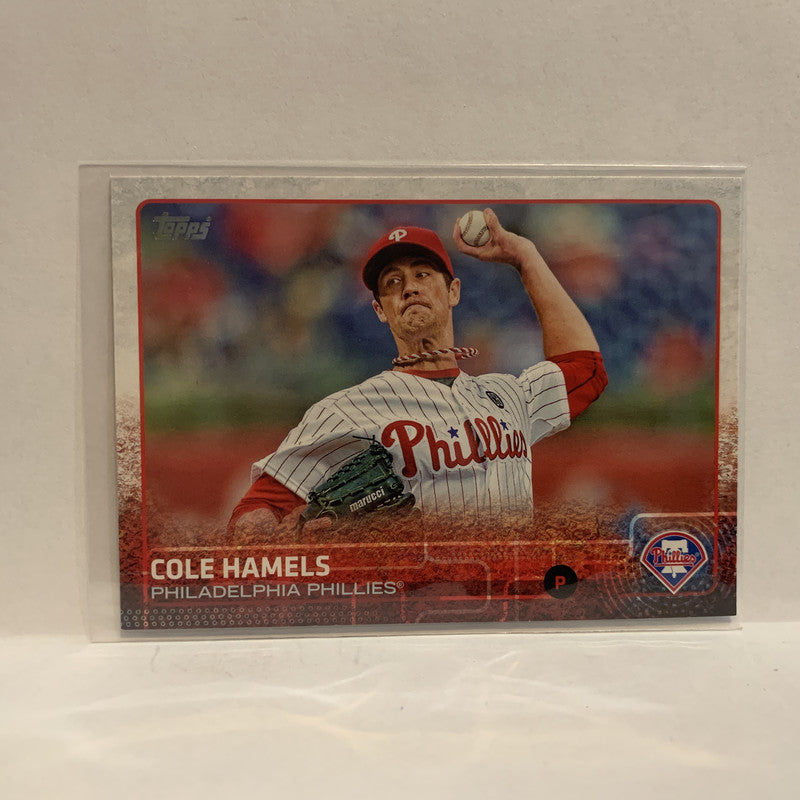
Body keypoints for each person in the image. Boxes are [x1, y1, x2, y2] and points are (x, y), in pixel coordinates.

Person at [229, 208, 607, 534]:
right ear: (380, 310)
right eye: (392, 282)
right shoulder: (345, 411)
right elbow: (252, 514)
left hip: (514, 593)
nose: (409, 287)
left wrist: (526, 257)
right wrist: (299, 540)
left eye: (422, 274)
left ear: (453, 291)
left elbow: (585, 367)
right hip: (423, 593)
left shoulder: (509, 395)